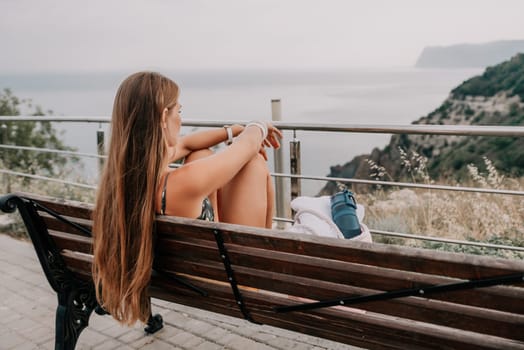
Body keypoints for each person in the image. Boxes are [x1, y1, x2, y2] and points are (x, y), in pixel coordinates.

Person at [92, 71, 282, 326]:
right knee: (253, 163)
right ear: (163, 117)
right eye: (178, 112)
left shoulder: (126, 177)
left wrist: (231, 131)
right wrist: (257, 125)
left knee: (201, 152)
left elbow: (186, 144)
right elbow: (246, 147)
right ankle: (266, 254)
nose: (181, 120)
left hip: (180, 274)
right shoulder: (182, 183)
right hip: (233, 280)